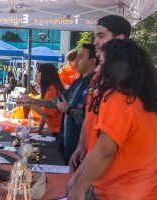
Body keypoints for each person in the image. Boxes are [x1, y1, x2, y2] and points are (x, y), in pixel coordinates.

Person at [67, 39, 157, 200]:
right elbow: (98, 148)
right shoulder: (141, 98)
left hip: (124, 193)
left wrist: (80, 186)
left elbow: (105, 150)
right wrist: (77, 178)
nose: (96, 70)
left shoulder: (118, 98)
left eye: (101, 64)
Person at [68, 15, 132, 172]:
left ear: (120, 38)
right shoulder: (97, 76)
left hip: (116, 172)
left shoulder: (128, 78)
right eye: (94, 36)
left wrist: (82, 180)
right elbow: (90, 113)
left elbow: (108, 144)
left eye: (101, 36)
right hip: (92, 162)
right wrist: (82, 144)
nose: (95, 41)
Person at [57, 43, 97, 164]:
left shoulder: (95, 84)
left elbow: (90, 117)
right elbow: (58, 101)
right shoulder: (77, 82)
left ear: (92, 62)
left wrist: (68, 110)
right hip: (66, 144)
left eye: (80, 57)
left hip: (80, 153)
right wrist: (32, 101)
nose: (76, 60)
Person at [30, 64, 64, 138]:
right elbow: (45, 112)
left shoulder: (52, 89)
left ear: (45, 75)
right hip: (56, 130)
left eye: (39, 72)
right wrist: (39, 129)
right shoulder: (50, 88)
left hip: (59, 131)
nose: (36, 75)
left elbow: (46, 114)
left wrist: (30, 103)